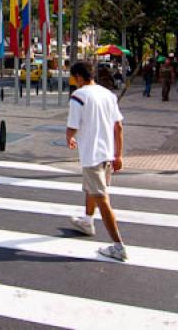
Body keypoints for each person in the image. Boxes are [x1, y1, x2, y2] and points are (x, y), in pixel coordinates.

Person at [66, 61, 127, 261]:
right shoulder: (108, 94)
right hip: (107, 154)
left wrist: (70, 137)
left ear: (80, 77)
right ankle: (87, 221)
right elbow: (118, 127)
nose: (73, 82)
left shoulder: (78, 97)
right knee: (91, 189)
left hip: (92, 155)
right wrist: (119, 155)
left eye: (73, 77)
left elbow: (72, 126)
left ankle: (118, 245)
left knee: (102, 199)